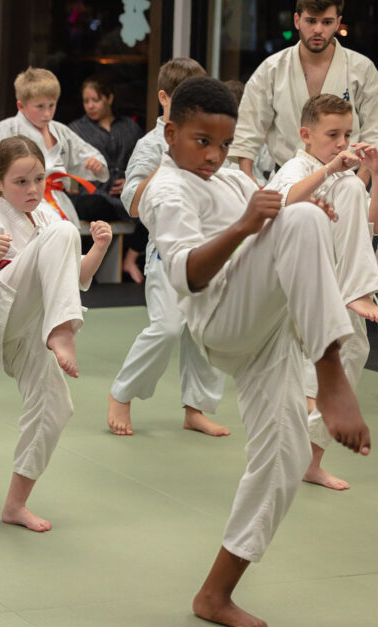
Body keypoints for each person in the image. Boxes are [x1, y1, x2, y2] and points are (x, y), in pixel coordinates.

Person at [143, 76, 370, 627]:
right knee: (300, 220)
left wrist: (296, 210)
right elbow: (190, 273)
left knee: (288, 455)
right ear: (170, 133)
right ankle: (331, 369)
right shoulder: (168, 190)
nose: (215, 156)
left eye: (223, 145)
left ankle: (215, 592)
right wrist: (257, 222)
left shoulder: (225, 179)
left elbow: (272, 215)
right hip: (220, 316)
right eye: (202, 142)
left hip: (263, 325)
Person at [0, 135, 111, 532]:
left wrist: (101, 249)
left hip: (30, 328)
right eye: (21, 181)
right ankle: (63, 331)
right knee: (65, 232)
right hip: (1, 311)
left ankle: (15, 505)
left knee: (55, 408)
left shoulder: (45, 217)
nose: (33, 189)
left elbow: (75, 278)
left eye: (39, 179)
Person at [264, 93, 378, 490]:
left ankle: (310, 462)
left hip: (336, 280)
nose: (341, 142)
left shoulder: (343, 178)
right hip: (295, 279)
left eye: (347, 134)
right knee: (310, 372)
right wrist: (334, 170)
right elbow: (282, 203)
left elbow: (376, 224)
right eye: (332, 134)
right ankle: (360, 289)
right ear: (305, 134)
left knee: (354, 352)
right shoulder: (297, 168)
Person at [106, 57, 230, 438]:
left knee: (204, 332)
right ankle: (121, 394)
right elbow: (131, 202)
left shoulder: (206, 138)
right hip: (166, 250)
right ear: (164, 98)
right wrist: (168, 160)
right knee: (167, 327)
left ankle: (196, 409)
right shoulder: (150, 144)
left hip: (206, 249)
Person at [231, 0, 378, 184]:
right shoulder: (272, 69)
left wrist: (360, 184)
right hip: (287, 180)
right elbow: (248, 128)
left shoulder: (362, 69)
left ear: (338, 23)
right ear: (297, 20)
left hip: (346, 180)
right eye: (311, 21)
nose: (318, 30)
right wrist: (249, 180)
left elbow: (377, 133)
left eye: (327, 22)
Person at [0, 67, 108, 228]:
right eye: (40, 106)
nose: (47, 113)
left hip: (58, 201)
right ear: (21, 106)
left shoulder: (60, 131)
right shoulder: (8, 128)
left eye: (51, 105)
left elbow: (89, 157)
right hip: (20, 203)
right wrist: (13, 180)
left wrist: (95, 165)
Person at [69, 77, 145, 282]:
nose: (90, 106)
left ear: (109, 98)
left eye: (96, 100)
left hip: (124, 196)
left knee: (152, 206)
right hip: (94, 195)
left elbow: (142, 161)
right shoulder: (75, 130)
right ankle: (88, 267)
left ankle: (130, 260)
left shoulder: (130, 127)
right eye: (86, 101)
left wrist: (130, 181)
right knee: (91, 204)